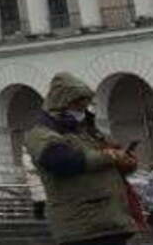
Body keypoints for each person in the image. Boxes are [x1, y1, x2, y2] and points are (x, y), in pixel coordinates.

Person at [27, 73, 141, 245]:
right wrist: (109, 156)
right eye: (77, 103)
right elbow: (60, 161)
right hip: (82, 227)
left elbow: (114, 154)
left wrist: (126, 161)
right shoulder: (41, 133)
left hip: (112, 221)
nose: (82, 108)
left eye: (85, 103)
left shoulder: (90, 132)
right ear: (61, 102)